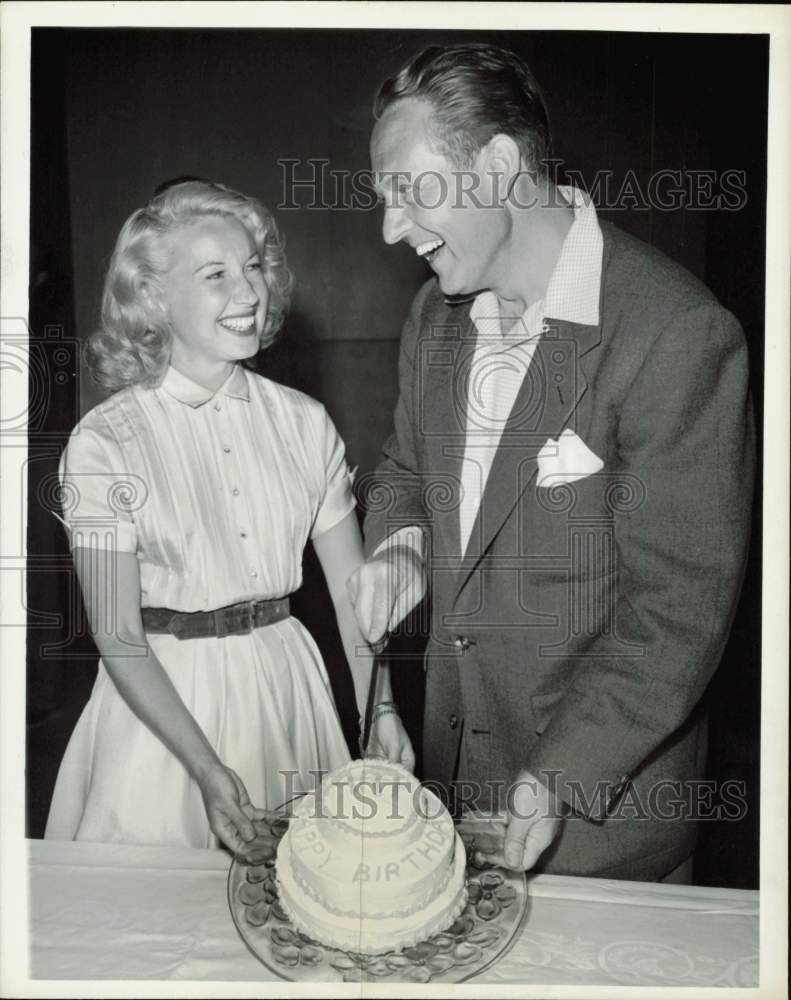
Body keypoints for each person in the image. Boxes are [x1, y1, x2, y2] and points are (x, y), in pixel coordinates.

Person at [348, 43, 755, 881]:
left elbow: (675, 618)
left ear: (497, 166)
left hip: (595, 833)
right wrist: (400, 545)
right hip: (453, 799)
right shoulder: (434, 314)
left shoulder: (675, 333)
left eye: (409, 192)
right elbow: (400, 474)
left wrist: (551, 781)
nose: (390, 230)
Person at [45, 180, 414, 856]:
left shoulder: (304, 424)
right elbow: (118, 634)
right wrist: (206, 768)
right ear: (153, 297)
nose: (248, 292)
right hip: (163, 713)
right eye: (214, 275)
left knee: (302, 909)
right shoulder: (106, 442)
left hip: (286, 688)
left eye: (252, 268)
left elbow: (352, 592)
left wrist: (379, 707)